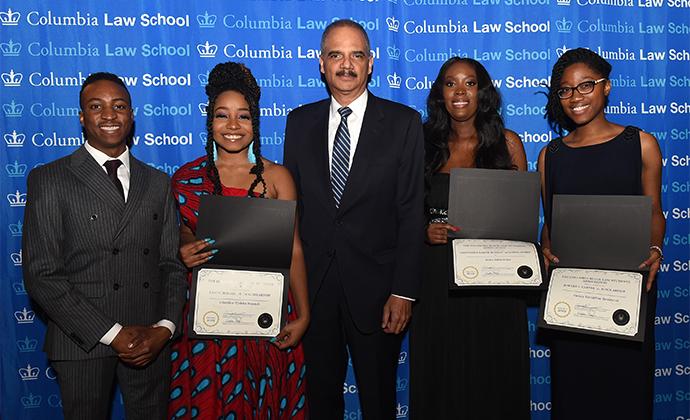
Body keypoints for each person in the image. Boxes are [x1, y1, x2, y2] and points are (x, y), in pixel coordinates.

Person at [22, 72, 188, 420]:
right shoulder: (50, 179)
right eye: (96, 107)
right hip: (82, 339)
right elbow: (42, 275)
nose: (109, 115)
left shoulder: (157, 181)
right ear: (82, 117)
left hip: (148, 341)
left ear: (131, 115)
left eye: (119, 106)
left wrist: (164, 329)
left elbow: (171, 265)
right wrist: (112, 334)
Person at [283, 19, 425, 419]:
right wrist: (290, 292)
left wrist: (404, 291)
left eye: (356, 55)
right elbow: (294, 214)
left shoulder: (403, 123)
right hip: (314, 292)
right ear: (321, 64)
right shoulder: (299, 122)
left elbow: (411, 211)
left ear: (371, 63)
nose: (346, 65)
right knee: (319, 399)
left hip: (379, 294)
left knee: (378, 401)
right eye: (336, 55)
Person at [168, 61, 310, 420]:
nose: (232, 126)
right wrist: (184, 244)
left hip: (268, 318)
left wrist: (305, 315)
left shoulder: (277, 178)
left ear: (255, 123)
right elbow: (181, 230)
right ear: (209, 120)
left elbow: (293, 249)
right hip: (207, 323)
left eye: (243, 117)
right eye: (222, 115)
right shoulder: (185, 178)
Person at [539, 47, 665, 420]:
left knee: (626, 391)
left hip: (627, 287)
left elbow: (655, 212)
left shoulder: (641, 144)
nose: (575, 97)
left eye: (585, 86)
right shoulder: (552, 155)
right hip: (573, 293)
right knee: (574, 392)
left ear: (606, 87)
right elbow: (551, 223)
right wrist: (546, 249)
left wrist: (655, 247)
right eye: (565, 90)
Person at [409, 57, 530, 419]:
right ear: (440, 93)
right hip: (436, 280)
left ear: (483, 92)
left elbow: (521, 220)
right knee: (441, 374)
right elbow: (402, 208)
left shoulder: (507, 143)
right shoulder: (422, 142)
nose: (460, 92)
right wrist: (423, 231)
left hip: (493, 283)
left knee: (494, 375)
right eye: (450, 84)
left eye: (470, 83)